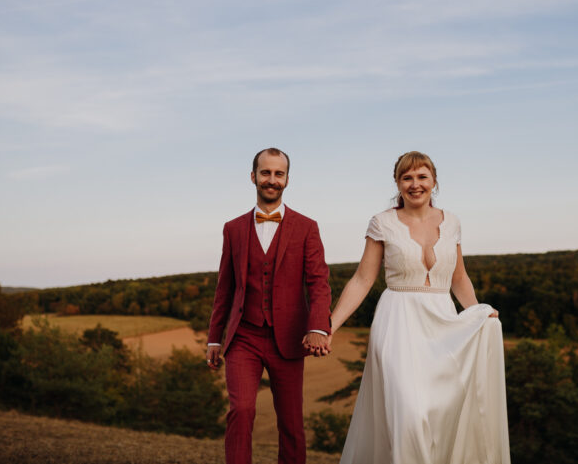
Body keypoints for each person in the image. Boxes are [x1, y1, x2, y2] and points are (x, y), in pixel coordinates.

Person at [330, 151, 511, 464]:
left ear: (434, 181)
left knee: (441, 413)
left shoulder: (451, 222)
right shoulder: (381, 223)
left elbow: (459, 278)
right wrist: (328, 326)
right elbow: (362, 280)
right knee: (408, 413)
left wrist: (478, 311)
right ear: (398, 184)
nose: (415, 184)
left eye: (421, 176)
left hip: (443, 325)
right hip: (397, 323)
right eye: (407, 177)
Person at [205, 147, 332, 464]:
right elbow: (225, 286)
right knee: (242, 409)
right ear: (253, 176)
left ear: (287, 179)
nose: (271, 180)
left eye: (278, 173)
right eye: (265, 173)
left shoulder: (307, 227)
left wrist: (317, 327)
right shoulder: (232, 229)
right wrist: (214, 337)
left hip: (288, 338)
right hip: (243, 336)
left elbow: (318, 282)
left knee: (290, 423)